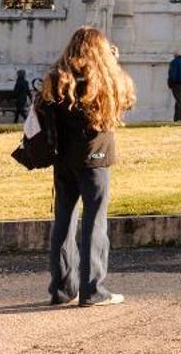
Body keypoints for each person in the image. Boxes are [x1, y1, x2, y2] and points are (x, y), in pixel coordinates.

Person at [35, 25, 136, 306]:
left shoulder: (57, 77)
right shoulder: (106, 77)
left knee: (64, 221)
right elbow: (126, 100)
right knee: (95, 220)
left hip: (63, 157)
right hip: (95, 157)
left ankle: (62, 288)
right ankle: (93, 290)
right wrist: (114, 62)